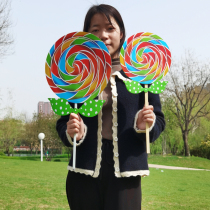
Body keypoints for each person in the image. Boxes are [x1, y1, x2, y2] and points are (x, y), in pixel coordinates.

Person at [56, 4, 165, 210]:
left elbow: (159, 121)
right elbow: (63, 123)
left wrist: (144, 126)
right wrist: (72, 132)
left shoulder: (141, 75)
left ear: (121, 33)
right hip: (83, 172)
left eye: (109, 28)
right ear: (86, 35)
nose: (103, 35)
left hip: (126, 173)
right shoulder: (77, 76)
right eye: (95, 30)